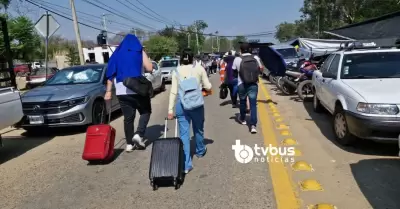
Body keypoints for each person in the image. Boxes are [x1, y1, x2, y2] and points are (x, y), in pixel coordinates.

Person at [105, 34, 153, 152]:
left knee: (128, 117)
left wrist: (108, 92)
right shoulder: (139, 51)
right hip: (137, 88)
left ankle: (129, 144)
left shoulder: (117, 53)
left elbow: (111, 74)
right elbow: (150, 68)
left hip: (122, 90)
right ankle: (139, 134)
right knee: (145, 111)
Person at [167, 49, 212, 174]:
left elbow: (173, 92)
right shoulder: (199, 68)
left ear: (181, 58)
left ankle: (186, 164)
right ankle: (200, 151)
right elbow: (208, 87)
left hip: (182, 106)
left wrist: (170, 110)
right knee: (198, 129)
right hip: (197, 105)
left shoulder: (176, 71)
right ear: (192, 58)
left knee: (184, 135)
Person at [232, 42, 263, 133]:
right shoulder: (256, 58)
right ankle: (253, 125)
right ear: (250, 50)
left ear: (241, 50)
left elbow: (234, 73)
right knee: (253, 104)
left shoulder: (237, 59)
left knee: (242, 102)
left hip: (241, 84)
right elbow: (260, 69)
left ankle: (242, 119)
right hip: (253, 84)